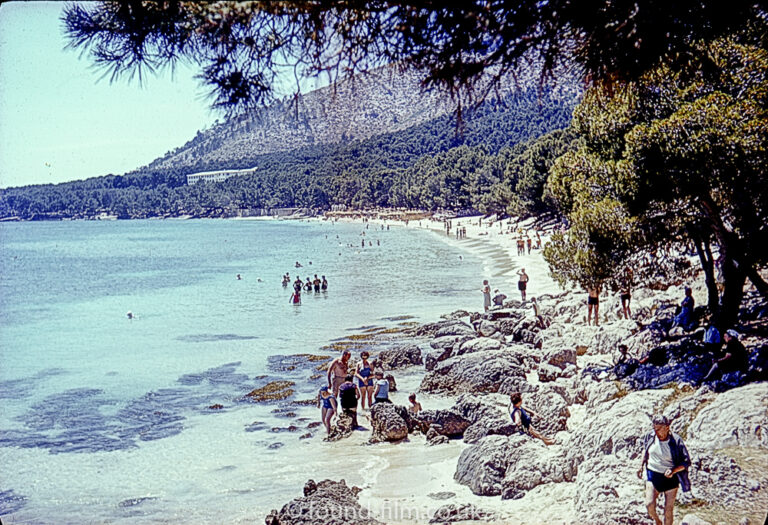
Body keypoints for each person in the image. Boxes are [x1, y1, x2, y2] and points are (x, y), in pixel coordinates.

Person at [637, 415, 691, 525]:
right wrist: (641, 465)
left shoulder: (676, 441)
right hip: (653, 474)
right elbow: (646, 450)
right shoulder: (650, 436)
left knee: (668, 510)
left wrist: (673, 470)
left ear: (667, 427)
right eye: (654, 428)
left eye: (659, 429)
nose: (656, 432)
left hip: (670, 478)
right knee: (649, 505)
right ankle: (657, 521)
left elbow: (686, 462)